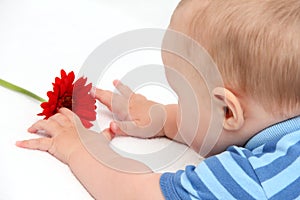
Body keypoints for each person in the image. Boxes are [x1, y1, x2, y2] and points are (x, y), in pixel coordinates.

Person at [16, 0, 300, 199]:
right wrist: (164, 117)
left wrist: (81, 150)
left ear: (227, 112)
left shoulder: (258, 180)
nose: (174, 103)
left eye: (181, 96)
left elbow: (146, 196)